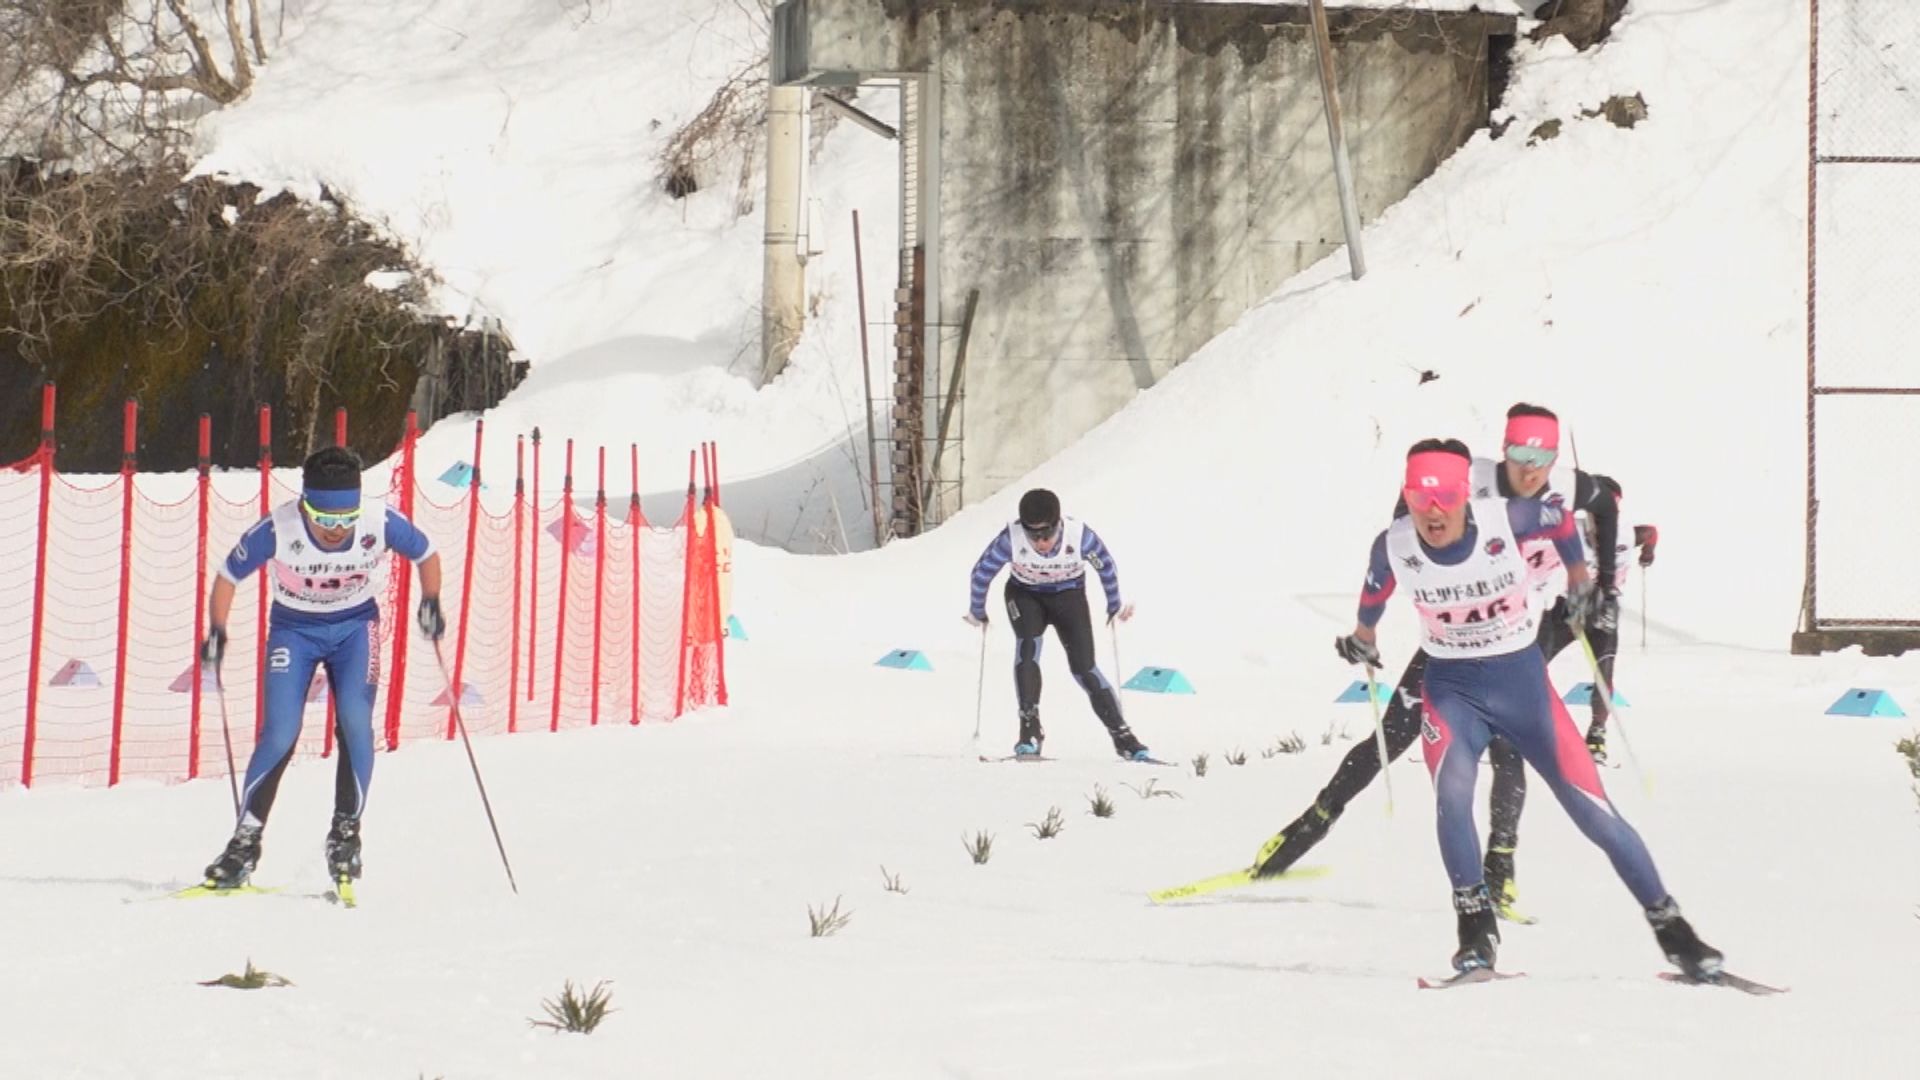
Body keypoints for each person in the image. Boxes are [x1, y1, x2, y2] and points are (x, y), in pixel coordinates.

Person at [1335, 438, 1720, 978]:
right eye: (1420, 500)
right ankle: (1475, 931)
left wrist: (1584, 583)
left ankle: (1677, 934)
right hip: (1452, 691)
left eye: (1445, 496)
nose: (1433, 512)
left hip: (1523, 687)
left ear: (1464, 493)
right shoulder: (1395, 543)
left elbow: (1563, 521)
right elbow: (1374, 590)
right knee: (1452, 796)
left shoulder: (1507, 518)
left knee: (1595, 813)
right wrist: (1362, 638)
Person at [1254, 403, 1629, 919]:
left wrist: (1601, 586)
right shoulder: (1467, 476)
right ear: (1504, 448)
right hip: (1451, 636)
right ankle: (1306, 829)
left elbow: (1605, 504)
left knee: (1508, 748)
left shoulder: (1565, 486)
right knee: (1392, 735)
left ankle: (1501, 870)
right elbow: (1402, 527)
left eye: (1541, 454)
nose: (1530, 466)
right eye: (1519, 451)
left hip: (1519, 633)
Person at [198, 447, 444, 888]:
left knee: (355, 719)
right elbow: (227, 577)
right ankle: (244, 845)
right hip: (294, 630)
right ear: (304, 505)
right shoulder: (279, 527)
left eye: (345, 519)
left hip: (354, 628)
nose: (336, 530)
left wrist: (430, 601)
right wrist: (217, 627)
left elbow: (426, 553)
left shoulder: (378, 521)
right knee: (279, 732)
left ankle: (345, 835)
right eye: (324, 519)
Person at [965, 488, 1146, 761]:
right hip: (1025, 595)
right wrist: (978, 611)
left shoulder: (1079, 536)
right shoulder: (1010, 539)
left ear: (1058, 524)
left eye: (1047, 534)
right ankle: (1029, 730)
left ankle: (1123, 736)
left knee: (1084, 667)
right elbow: (981, 574)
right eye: (1033, 535)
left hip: (1068, 596)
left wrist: (1114, 604)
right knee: (1027, 650)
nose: (1041, 543)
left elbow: (1106, 566)